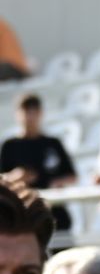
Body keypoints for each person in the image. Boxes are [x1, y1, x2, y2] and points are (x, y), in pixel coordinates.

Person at [0, 94, 78, 233]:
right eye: (25, 111)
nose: (29, 117)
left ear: (40, 113)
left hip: (56, 213)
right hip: (22, 217)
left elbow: (72, 176)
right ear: (17, 114)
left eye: (33, 111)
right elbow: (2, 179)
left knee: (63, 252)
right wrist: (15, 177)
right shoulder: (9, 146)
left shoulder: (53, 143)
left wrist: (56, 182)